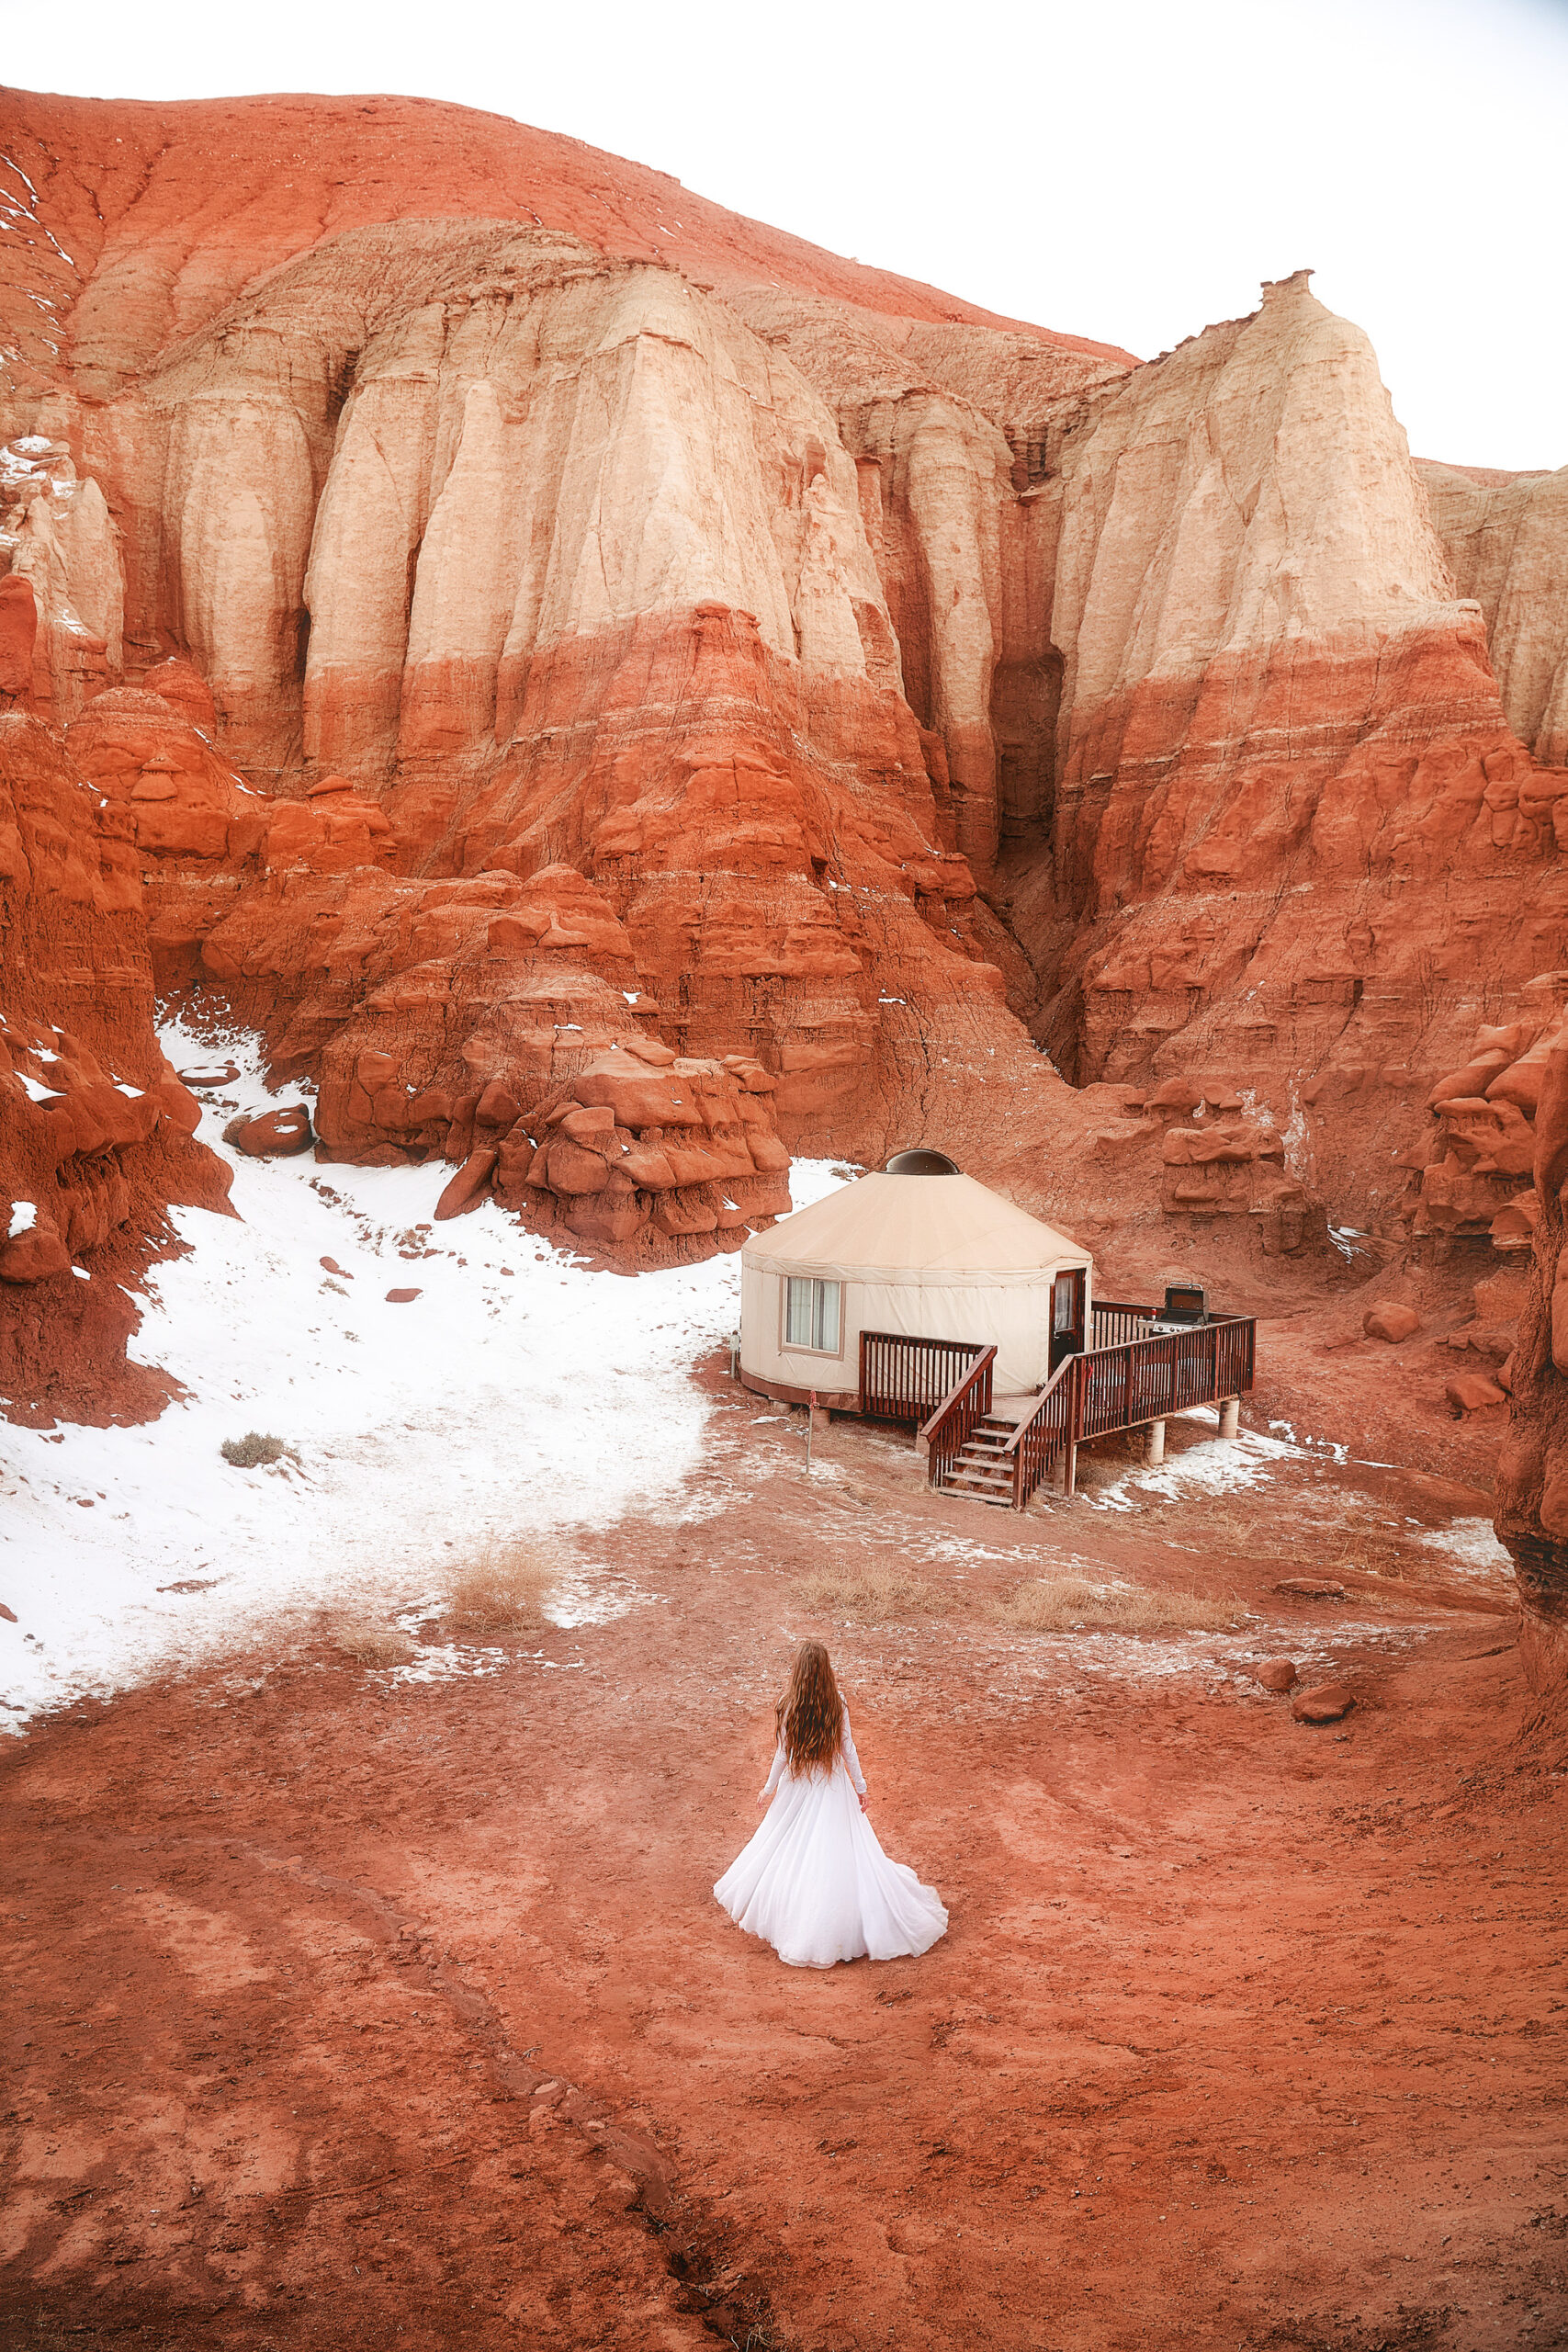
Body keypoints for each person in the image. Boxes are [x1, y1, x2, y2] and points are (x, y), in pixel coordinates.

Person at [713, 1639, 948, 1969]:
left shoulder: (786, 1704)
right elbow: (847, 1748)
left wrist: (768, 1788)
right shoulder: (836, 1703)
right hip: (832, 1785)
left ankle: (793, 1911)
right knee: (834, 1850)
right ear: (826, 1671)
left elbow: (782, 1753)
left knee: (786, 1846)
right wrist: (861, 1788)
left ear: (797, 1672)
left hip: (795, 1785)